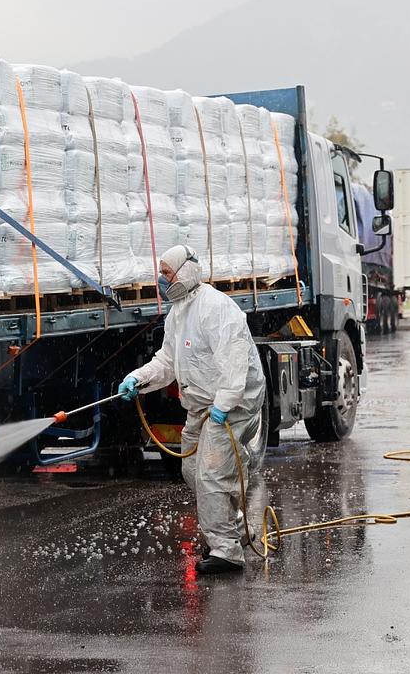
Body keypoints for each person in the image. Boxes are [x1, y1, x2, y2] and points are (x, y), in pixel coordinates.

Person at [119, 245, 267, 575]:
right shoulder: (178, 313)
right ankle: (237, 530)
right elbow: (168, 362)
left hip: (232, 403)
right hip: (202, 404)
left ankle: (226, 552)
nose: (161, 279)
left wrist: (225, 404)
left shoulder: (215, 307)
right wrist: (139, 379)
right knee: (192, 470)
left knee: (212, 473)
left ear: (185, 271)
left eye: (167, 273)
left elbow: (235, 359)